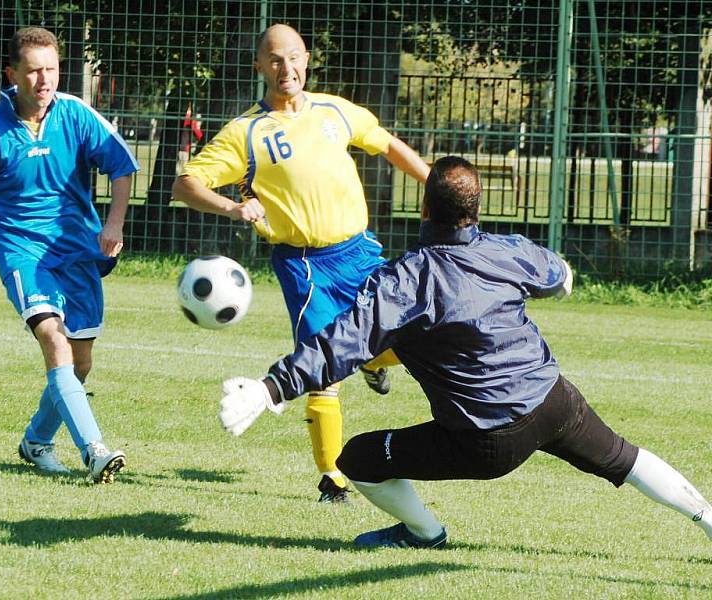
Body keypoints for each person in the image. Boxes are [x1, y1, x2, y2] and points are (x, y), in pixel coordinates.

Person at [216, 155, 712, 548]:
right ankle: (708, 518)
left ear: (425, 209)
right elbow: (558, 272)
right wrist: (560, 278)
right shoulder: (507, 249)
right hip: (554, 401)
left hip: (488, 440)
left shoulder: (408, 279)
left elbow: (343, 342)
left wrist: (269, 388)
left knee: (359, 458)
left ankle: (424, 534)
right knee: (626, 458)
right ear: (476, 210)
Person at [172, 23, 430, 502]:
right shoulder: (246, 132)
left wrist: (433, 183)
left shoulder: (335, 111)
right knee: (322, 366)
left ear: (306, 59)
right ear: (259, 66)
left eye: (292, 57)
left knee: (410, 336)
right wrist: (232, 206)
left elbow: (387, 143)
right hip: (305, 265)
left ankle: (373, 359)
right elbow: (185, 184)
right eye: (273, 59)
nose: (284, 68)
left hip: (360, 251)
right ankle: (332, 478)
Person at [0, 27, 139, 483]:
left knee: (80, 362)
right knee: (54, 339)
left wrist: (114, 223)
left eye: (52, 69)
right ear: (13, 74)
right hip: (22, 252)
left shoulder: (77, 115)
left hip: (77, 250)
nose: (45, 80)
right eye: (34, 71)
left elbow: (122, 165)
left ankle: (35, 442)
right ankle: (95, 449)